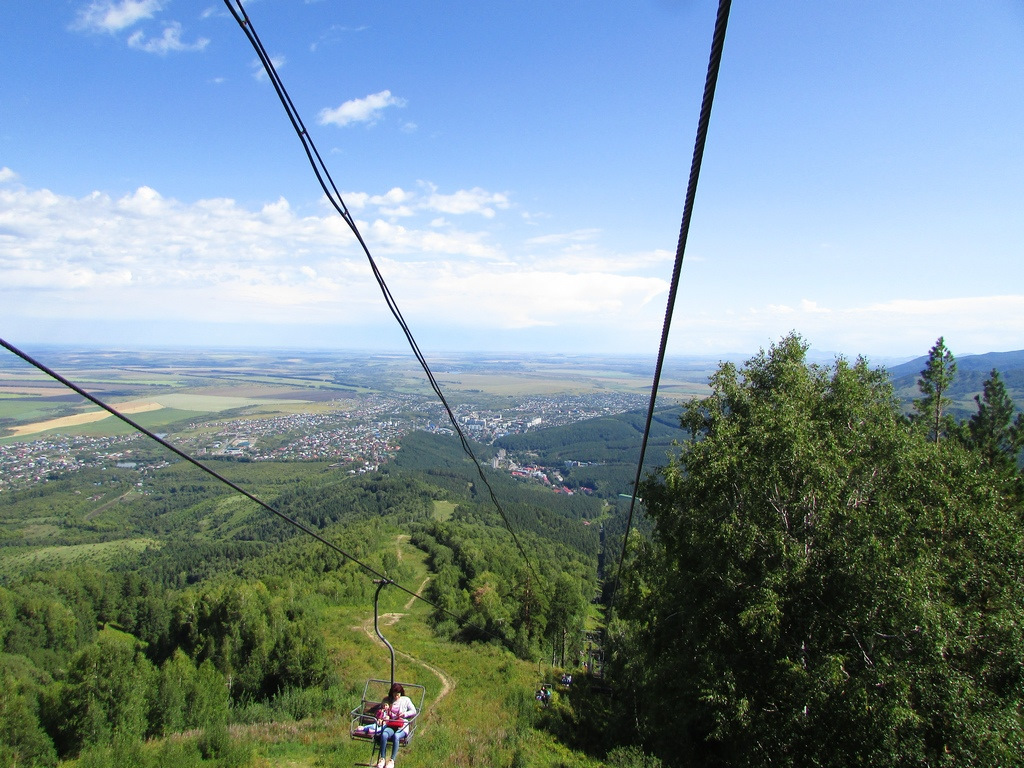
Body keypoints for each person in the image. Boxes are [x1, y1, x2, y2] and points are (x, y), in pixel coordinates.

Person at [376, 683, 417, 768]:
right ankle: (382, 758)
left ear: (401, 693)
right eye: (394, 694)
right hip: (391, 724)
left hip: (402, 725)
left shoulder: (406, 700)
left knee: (396, 736)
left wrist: (405, 714)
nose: (396, 696)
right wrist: (384, 717)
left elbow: (413, 711)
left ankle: (392, 760)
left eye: (398, 694)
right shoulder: (388, 701)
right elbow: (382, 711)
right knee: (384, 735)